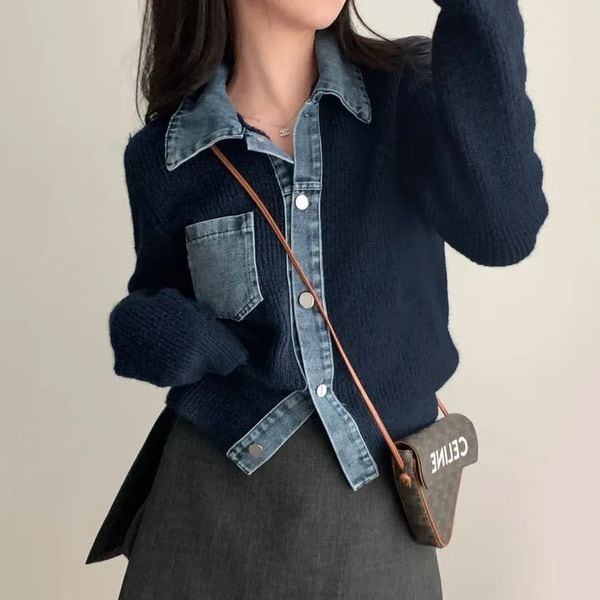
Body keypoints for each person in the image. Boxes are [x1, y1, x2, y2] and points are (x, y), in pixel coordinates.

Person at [86, 0, 549, 598]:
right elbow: (156, 298)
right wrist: (155, 330)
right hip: (204, 519)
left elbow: (505, 229)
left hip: (375, 526)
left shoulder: (404, 95)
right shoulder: (164, 157)